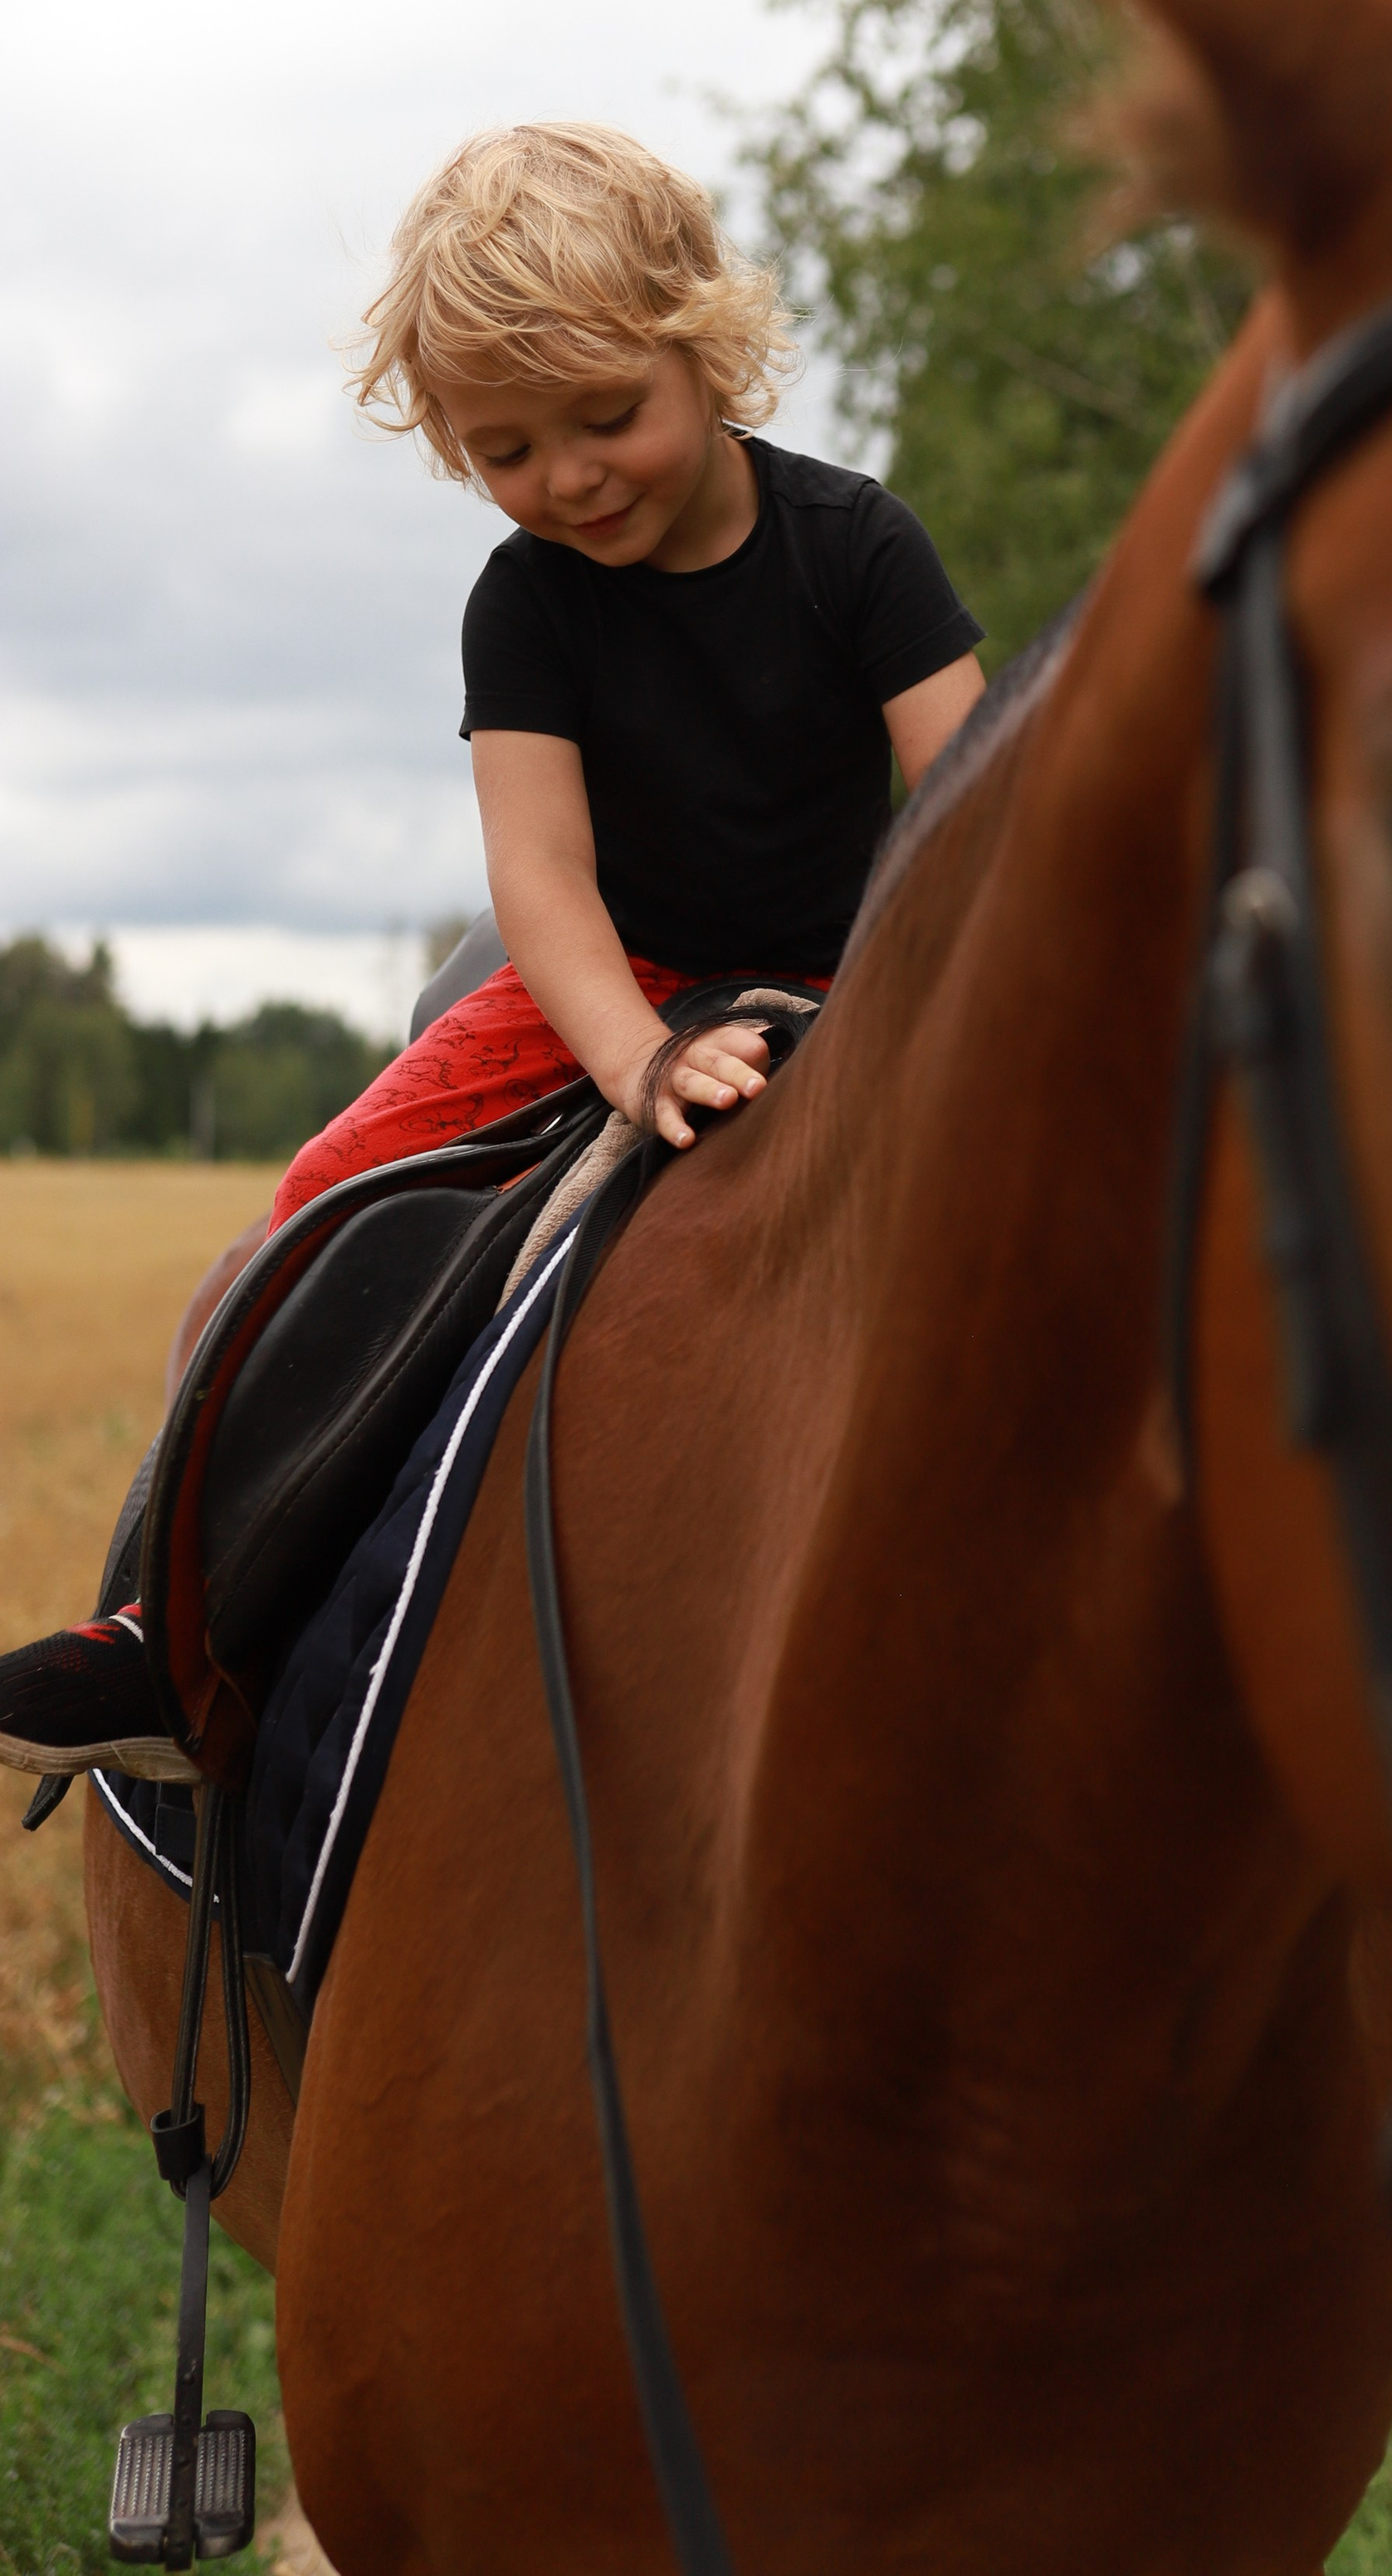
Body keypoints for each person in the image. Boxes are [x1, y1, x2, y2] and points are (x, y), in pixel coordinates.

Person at [0, 125, 984, 1778]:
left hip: (850, 981)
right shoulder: (525, 604)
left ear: (704, 343)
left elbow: (967, 807)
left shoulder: (857, 546)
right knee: (319, 1206)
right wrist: (641, 1061)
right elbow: (539, 875)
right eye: (508, 449)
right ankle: (177, 1632)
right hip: (606, 985)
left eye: (606, 416)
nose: (571, 477)